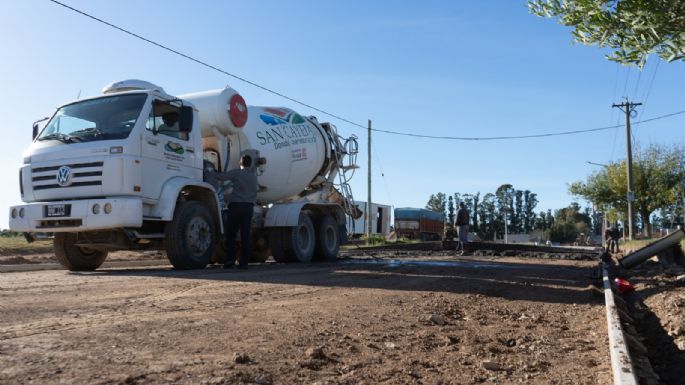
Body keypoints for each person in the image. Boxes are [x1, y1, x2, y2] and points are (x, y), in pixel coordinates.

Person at [204, 155, 258, 269]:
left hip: (236, 207)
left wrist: (210, 171)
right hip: (248, 208)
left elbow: (222, 177)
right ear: (250, 164)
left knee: (231, 234)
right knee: (245, 235)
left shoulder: (238, 173)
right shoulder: (253, 177)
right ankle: (244, 263)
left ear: (241, 163)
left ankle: (230, 260)